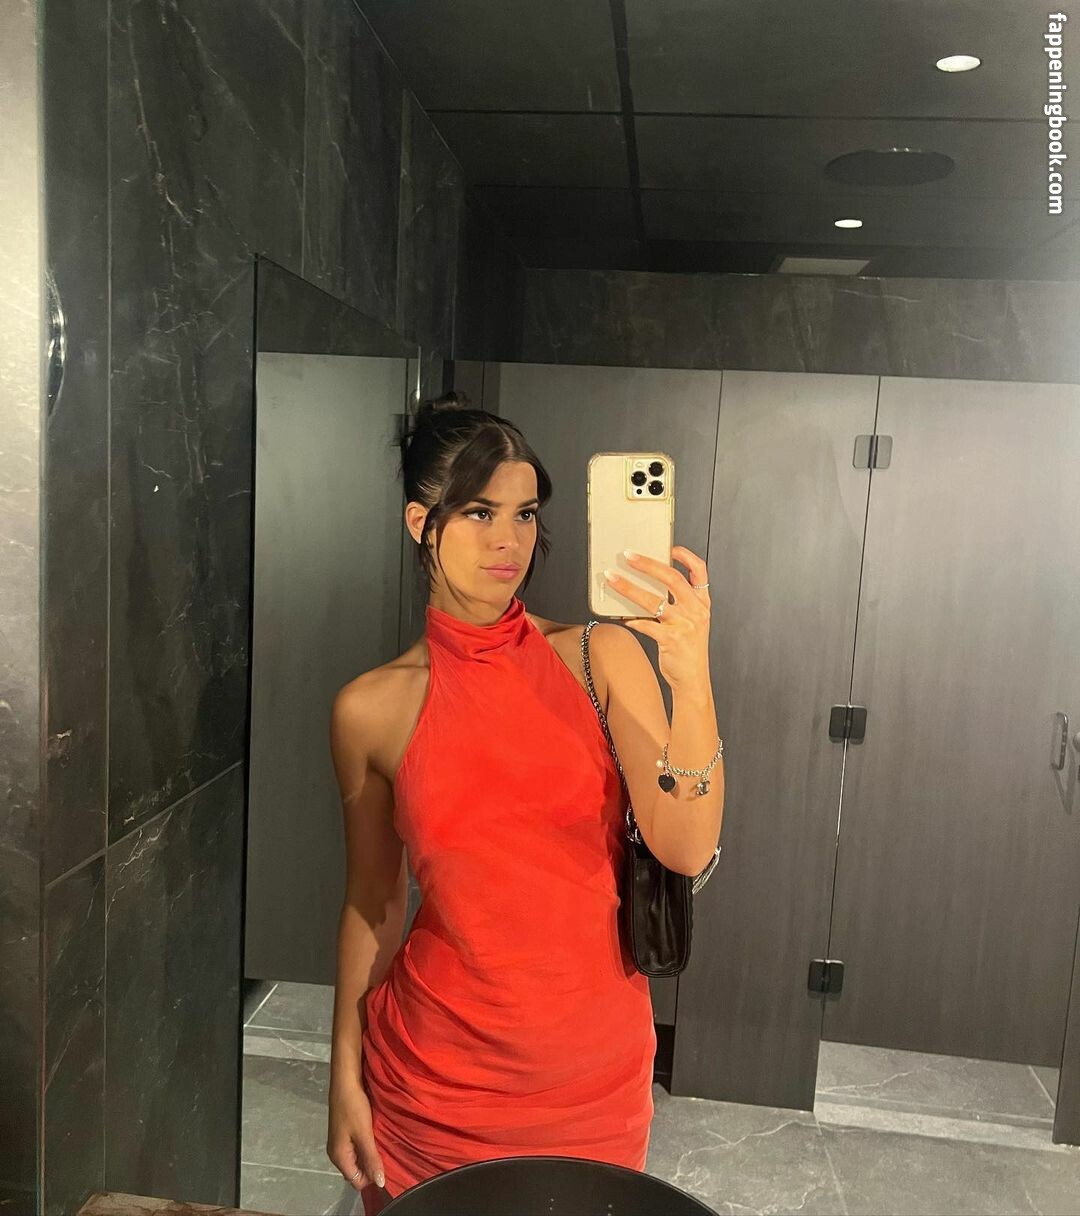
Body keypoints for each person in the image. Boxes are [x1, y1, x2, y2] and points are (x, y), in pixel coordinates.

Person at [324, 393, 720, 1215]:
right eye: (478, 512)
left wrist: (691, 678)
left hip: (591, 1091)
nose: (509, 541)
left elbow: (684, 848)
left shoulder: (600, 657)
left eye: (526, 513)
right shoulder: (372, 709)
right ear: (419, 523)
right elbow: (373, 902)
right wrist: (343, 1079)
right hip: (430, 1091)